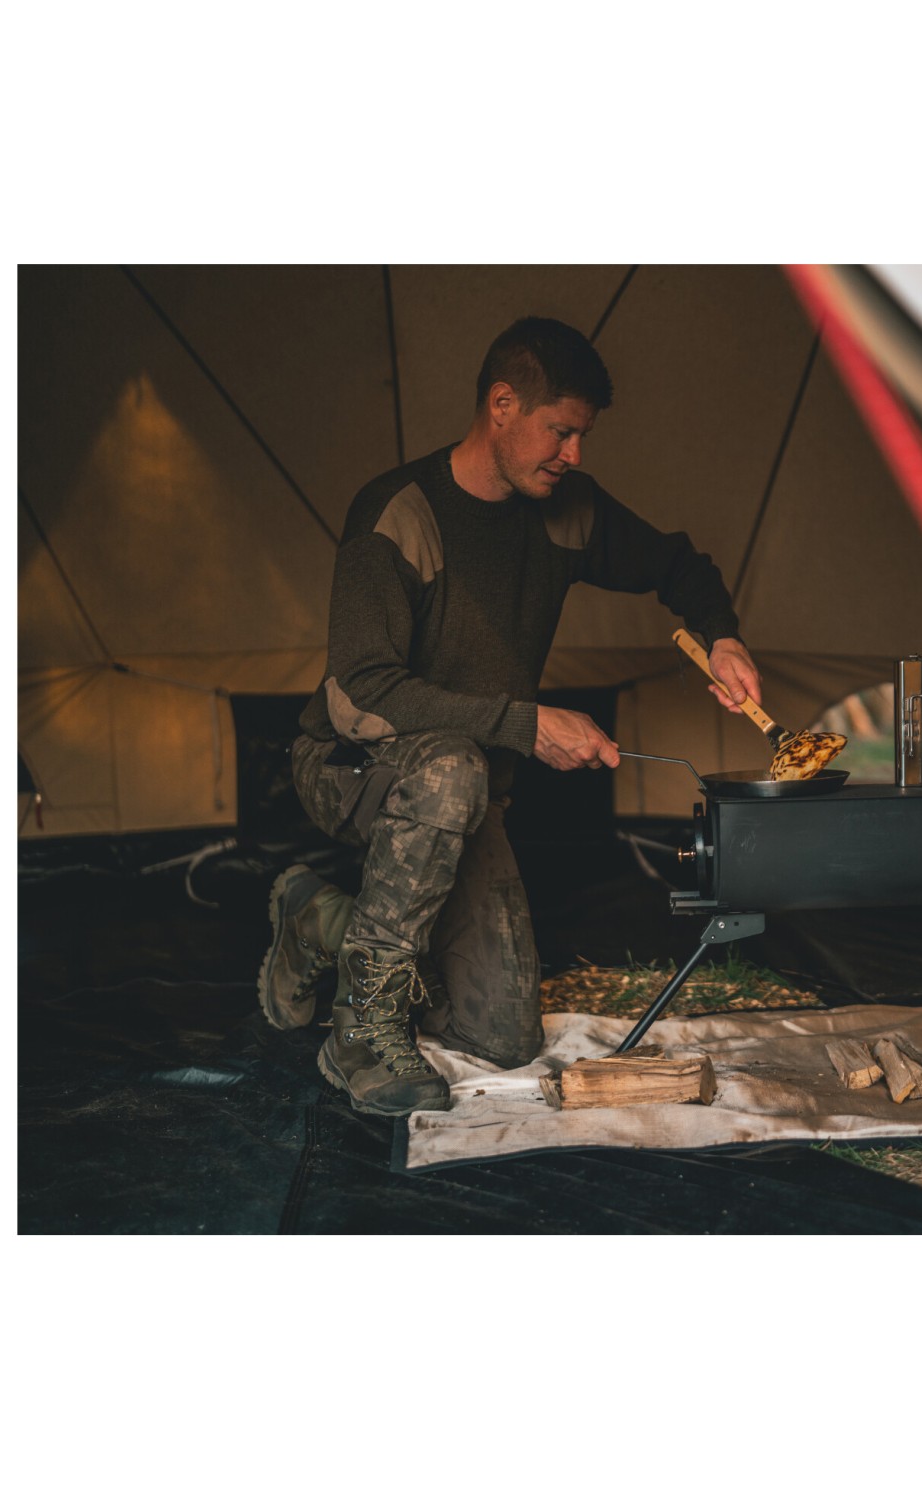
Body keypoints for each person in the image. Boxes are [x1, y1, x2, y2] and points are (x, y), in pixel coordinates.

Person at [256, 316, 760, 1116]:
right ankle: (360, 1029)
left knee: (503, 1036)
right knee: (453, 770)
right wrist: (526, 725)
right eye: (560, 432)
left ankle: (321, 919)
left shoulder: (566, 509)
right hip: (347, 768)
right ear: (502, 406)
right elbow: (362, 692)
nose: (574, 455)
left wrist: (721, 636)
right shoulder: (398, 513)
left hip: (467, 789)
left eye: (583, 436)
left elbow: (677, 563)